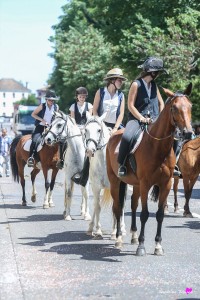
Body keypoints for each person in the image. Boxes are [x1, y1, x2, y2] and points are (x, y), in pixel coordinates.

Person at [117, 57, 167, 177]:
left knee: (172, 137)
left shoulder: (154, 85)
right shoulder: (136, 84)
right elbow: (130, 105)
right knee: (127, 137)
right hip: (136, 119)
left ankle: (172, 164)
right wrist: (141, 118)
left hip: (154, 120)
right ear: (153, 73)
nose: (159, 75)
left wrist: (160, 118)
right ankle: (122, 164)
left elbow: (161, 103)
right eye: (158, 73)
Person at [27, 90, 59, 167]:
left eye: (53, 100)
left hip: (51, 128)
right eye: (50, 100)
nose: (51, 101)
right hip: (40, 126)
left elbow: (56, 117)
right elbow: (33, 114)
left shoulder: (56, 107)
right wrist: (42, 120)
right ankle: (31, 157)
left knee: (60, 140)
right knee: (35, 140)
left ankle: (60, 159)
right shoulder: (42, 106)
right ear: (46, 100)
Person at [93, 68, 126, 134]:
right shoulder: (100, 92)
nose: (121, 83)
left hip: (115, 127)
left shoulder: (121, 95)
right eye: (119, 80)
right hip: (100, 125)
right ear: (112, 80)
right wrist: (99, 123)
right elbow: (94, 110)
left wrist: (115, 129)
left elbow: (121, 114)